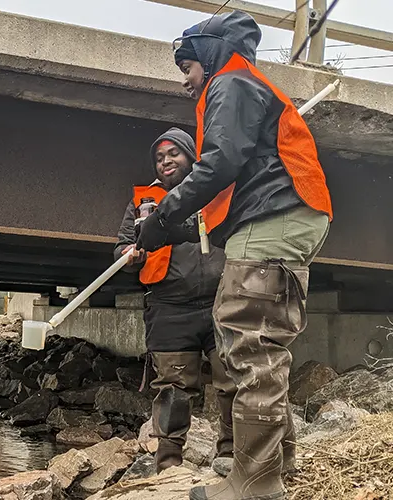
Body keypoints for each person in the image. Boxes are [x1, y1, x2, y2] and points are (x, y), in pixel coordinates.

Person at [136, 10, 332, 500]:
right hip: (282, 215)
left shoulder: (231, 84)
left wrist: (162, 212)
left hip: (277, 216)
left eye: (186, 66)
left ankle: (256, 485)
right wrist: (169, 227)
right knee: (260, 344)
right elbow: (226, 188)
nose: (184, 79)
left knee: (249, 344)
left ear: (207, 53)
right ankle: (273, 467)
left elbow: (218, 162)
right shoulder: (242, 87)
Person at [115, 127, 236, 475]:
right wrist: (128, 253)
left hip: (220, 303)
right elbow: (120, 247)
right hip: (169, 310)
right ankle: (169, 466)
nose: (166, 161)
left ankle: (229, 455)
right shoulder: (142, 202)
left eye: (174, 154)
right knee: (173, 390)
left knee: (231, 379)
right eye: (159, 157)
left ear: (190, 157)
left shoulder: (215, 191)